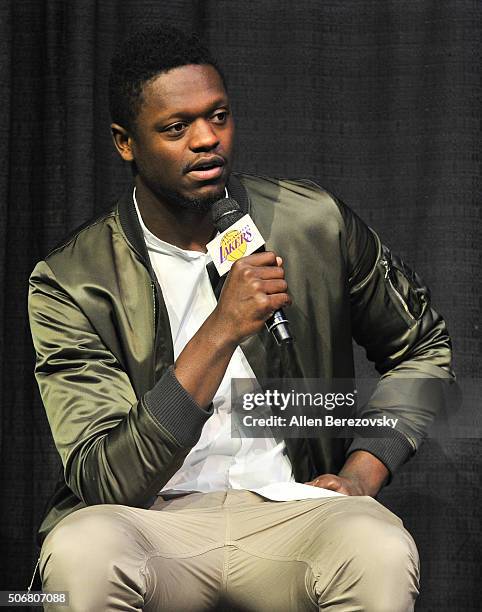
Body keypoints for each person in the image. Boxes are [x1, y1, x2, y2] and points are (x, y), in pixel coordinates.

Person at [28, 25, 454, 611]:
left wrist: (362, 473)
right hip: (150, 521)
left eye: (219, 116)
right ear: (125, 143)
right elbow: (110, 483)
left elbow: (422, 346)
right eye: (177, 128)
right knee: (82, 552)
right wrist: (222, 328)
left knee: (377, 546)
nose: (207, 139)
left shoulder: (312, 223)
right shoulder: (72, 280)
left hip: (290, 511)